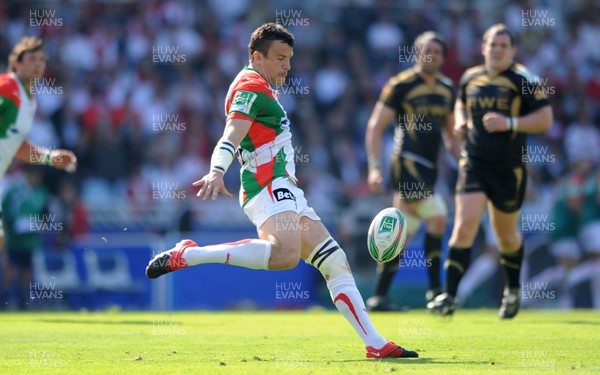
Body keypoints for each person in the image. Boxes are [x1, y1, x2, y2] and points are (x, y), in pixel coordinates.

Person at [146, 23, 418, 359]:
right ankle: (190, 254)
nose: (287, 66)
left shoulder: (263, 84)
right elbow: (231, 133)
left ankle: (375, 343)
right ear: (257, 57)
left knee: (335, 262)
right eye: (279, 58)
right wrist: (217, 170)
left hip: (286, 187)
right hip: (266, 184)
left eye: (289, 58)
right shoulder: (250, 86)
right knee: (286, 256)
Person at [428, 24, 553, 319]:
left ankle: (512, 291)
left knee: (506, 236)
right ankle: (450, 296)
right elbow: (460, 103)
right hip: (473, 164)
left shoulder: (525, 78)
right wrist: (459, 121)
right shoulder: (471, 78)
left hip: (508, 169)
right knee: (463, 227)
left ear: (512, 50)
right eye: (492, 44)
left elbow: (546, 119)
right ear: (483, 47)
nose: (497, 49)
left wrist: (509, 123)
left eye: (503, 45)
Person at [365, 31, 456, 311]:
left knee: (405, 229)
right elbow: (375, 126)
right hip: (406, 161)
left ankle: (379, 296)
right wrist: (374, 167)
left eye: (437, 51)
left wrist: (464, 160)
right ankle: (436, 292)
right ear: (416, 54)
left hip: (429, 167)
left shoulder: (447, 88)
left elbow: (451, 135)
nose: (432, 56)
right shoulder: (401, 84)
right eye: (426, 50)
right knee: (438, 215)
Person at [0, 37, 78, 306]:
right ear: (17, 63)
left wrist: (48, 157)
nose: (37, 65)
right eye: (31, 59)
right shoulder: (8, 86)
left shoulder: (29, 98)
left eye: (42, 60)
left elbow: (16, 144)